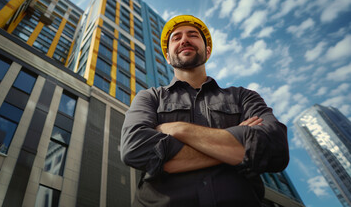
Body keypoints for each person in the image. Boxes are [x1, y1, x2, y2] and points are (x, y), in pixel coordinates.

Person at [120, 15, 289, 207]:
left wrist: (178, 129)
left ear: (207, 51)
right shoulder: (149, 97)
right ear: (167, 57)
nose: (184, 40)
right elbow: (135, 148)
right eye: (176, 38)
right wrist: (236, 146)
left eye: (192, 35)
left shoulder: (243, 97)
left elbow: (275, 147)